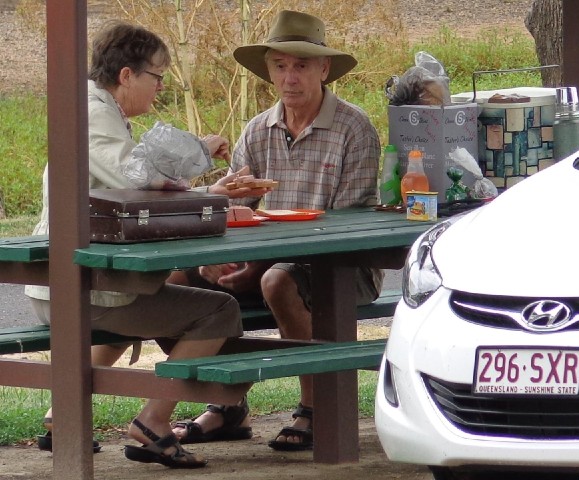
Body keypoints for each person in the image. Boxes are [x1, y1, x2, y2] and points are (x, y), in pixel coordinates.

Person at [24, 21, 265, 468]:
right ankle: (153, 423)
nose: (159, 88)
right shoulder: (93, 115)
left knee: (152, 292)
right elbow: (135, 180)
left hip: (79, 282)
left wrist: (208, 193)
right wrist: (196, 156)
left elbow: (131, 193)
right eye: (156, 77)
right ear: (127, 75)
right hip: (78, 286)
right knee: (219, 309)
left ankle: (65, 412)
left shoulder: (98, 111)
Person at [170, 10, 383, 452]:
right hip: (266, 263)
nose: (289, 78)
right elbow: (235, 207)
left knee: (277, 279)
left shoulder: (354, 128)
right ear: (268, 71)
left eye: (301, 65)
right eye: (280, 66)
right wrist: (216, 258)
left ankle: (315, 408)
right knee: (176, 282)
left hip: (343, 268)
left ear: (324, 70)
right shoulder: (257, 130)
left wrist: (257, 265)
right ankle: (224, 403)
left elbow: (348, 227)